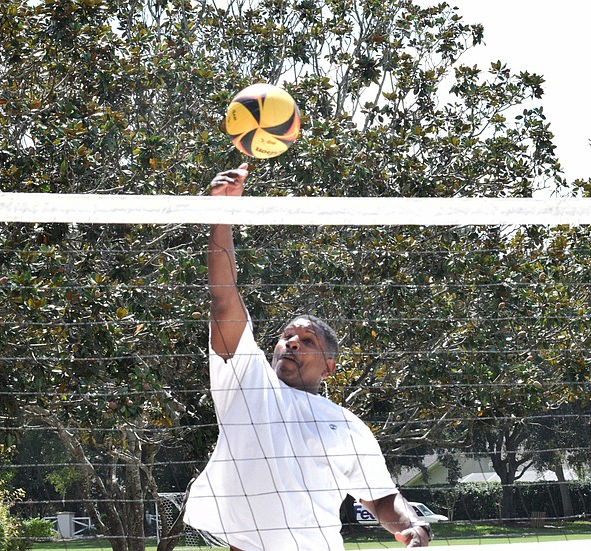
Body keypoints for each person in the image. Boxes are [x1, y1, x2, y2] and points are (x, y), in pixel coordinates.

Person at [183, 164, 431, 550]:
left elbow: (381, 497)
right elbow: (224, 296)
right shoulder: (249, 381)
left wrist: (412, 525)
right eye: (286, 336)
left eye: (307, 340)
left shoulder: (347, 426)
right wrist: (222, 213)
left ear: (329, 366)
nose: (292, 343)